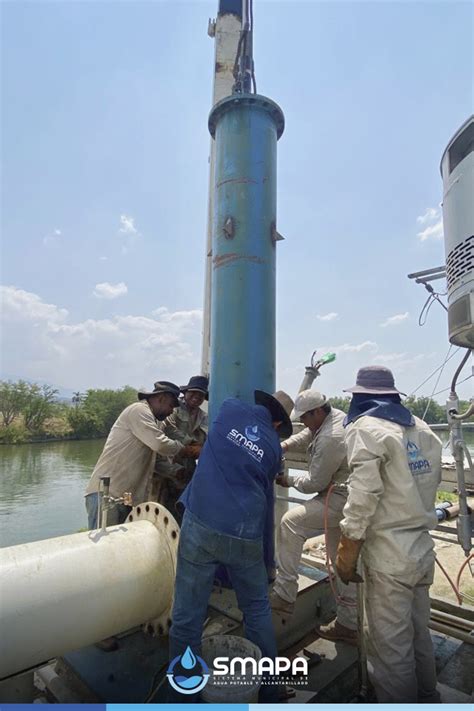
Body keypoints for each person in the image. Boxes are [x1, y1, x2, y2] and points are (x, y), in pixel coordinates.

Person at [168, 390, 294, 702]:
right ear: (277, 423)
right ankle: (271, 688)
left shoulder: (228, 409)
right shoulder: (274, 448)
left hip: (201, 526)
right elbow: (266, 489)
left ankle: (183, 696)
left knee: (187, 615)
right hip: (245, 534)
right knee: (256, 608)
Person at [335, 366, 442, 703]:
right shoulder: (423, 430)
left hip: (390, 556)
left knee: (391, 653)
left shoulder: (366, 429)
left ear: (359, 397)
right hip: (423, 549)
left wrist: (347, 550)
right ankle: (428, 696)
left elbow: (362, 497)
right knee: (419, 636)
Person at [270, 390, 358, 644]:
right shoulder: (334, 416)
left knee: (290, 522)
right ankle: (349, 623)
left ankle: (285, 593)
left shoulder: (332, 437)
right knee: (339, 561)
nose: (303, 423)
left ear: (317, 412)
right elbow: (308, 434)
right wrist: (284, 445)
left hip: (339, 498)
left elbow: (313, 482)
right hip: (347, 497)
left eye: (305, 418)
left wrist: (287, 479)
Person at [84, 381, 197, 529]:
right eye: (170, 406)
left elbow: (155, 461)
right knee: (103, 548)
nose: (171, 412)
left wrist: (176, 470)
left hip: (125, 499)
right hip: (107, 494)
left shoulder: (155, 422)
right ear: (161, 398)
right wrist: (187, 450)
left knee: (119, 547)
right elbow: (160, 444)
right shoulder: (139, 411)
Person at [151, 376, 208, 521]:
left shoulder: (204, 417)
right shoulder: (173, 409)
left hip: (188, 474)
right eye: (193, 393)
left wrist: (201, 449)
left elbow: (207, 441)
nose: (196, 397)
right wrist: (191, 445)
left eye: (200, 395)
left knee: (182, 513)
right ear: (186, 392)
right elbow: (168, 430)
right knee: (162, 514)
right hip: (167, 470)